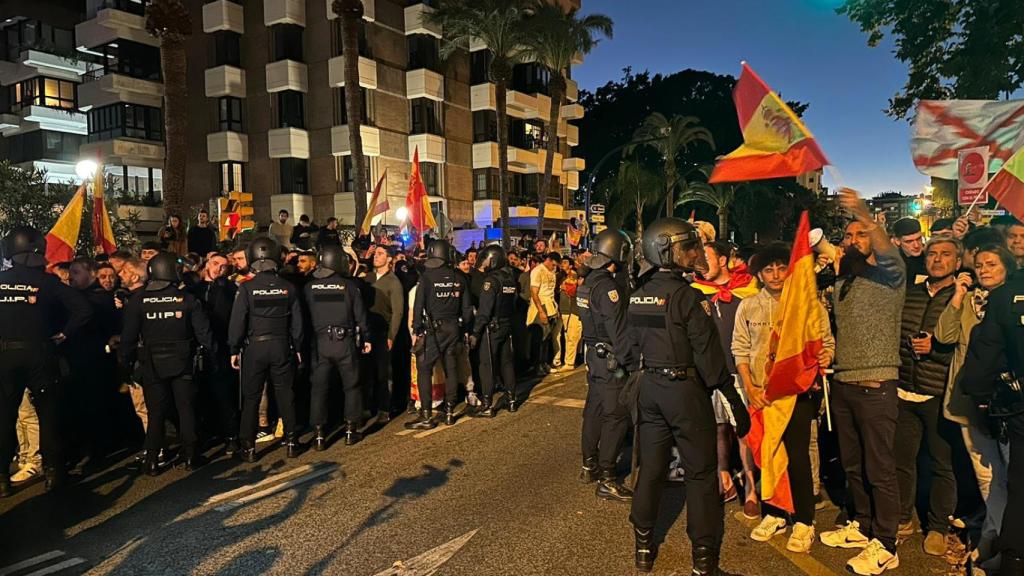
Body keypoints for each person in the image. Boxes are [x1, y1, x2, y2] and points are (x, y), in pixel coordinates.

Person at [626, 218, 749, 575]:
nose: (694, 253)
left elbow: (630, 347)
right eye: (686, 247)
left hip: (649, 388)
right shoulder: (688, 297)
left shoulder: (639, 295)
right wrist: (734, 402)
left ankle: (644, 548)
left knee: (650, 469)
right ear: (665, 252)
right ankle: (704, 559)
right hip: (684, 391)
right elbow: (710, 360)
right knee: (700, 474)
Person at [819, 189, 905, 576]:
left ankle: (887, 544)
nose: (852, 241)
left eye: (860, 235)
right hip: (844, 385)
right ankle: (864, 525)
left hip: (875, 385)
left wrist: (864, 214)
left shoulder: (891, 275)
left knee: (880, 468)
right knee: (852, 465)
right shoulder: (844, 282)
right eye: (848, 236)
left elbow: (887, 250)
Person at [737, 243, 834, 553]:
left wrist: (824, 357)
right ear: (760, 275)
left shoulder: (809, 306)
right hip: (762, 396)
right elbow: (739, 349)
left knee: (797, 457)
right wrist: (750, 387)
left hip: (797, 395)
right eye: (769, 269)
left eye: (781, 267)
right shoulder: (748, 306)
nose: (776, 274)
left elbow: (827, 344)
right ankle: (775, 513)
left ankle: (804, 520)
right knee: (767, 456)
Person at [934, 244, 1015, 569]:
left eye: (992, 263)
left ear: (1007, 266)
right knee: (987, 476)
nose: (984, 270)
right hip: (969, 402)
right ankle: (991, 539)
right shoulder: (970, 301)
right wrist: (958, 294)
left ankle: (1004, 539)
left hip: (1008, 405)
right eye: (979, 265)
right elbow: (944, 334)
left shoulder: (1014, 301)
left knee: (1011, 475)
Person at [0, 227, 92, 496]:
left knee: (4, 418)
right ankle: (53, 473)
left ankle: (2, 479)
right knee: (48, 416)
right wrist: (64, 334)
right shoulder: (49, 283)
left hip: (5, 356)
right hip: (41, 353)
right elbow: (83, 310)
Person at [958, 250, 1024, 576]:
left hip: (1016, 405)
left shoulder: (1006, 297)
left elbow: (981, 362)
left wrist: (982, 399)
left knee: (1017, 485)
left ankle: (1009, 559)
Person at [119, 253, 214, 474]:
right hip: (183, 361)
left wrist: (125, 367)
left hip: (151, 363)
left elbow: (128, 339)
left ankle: (152, 460)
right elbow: (204, 334)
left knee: (156, 413)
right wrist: (211, 359)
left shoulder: (137, 301)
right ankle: (191, 456)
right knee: (186, 408)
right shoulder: (188, 300)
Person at [894, 237, 960, 556]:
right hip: (904, 390)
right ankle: (904, 518)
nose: (937, 259)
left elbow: (968, 349)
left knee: (941, 465)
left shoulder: (962, 299)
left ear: (958, 263)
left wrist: (936, 352)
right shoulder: (911, 294)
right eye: (932, 254)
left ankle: (937, 527)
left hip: (938, 394)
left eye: (945, 255)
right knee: (901, 461)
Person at [693, 240, 760, 514]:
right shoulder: (696, 292)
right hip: (711, 373)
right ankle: (724, 478)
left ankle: (752, 486)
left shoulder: (749, 291)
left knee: (744, 430)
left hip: (741, 371)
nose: (699, 263)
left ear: (722, 260)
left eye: (705, 257)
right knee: (718, 427)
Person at [228, 237, 305, 461]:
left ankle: (249, 447)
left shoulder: (247, 288)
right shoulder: (288, 287)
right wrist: (298, 346)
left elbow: (237, 322)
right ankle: (291, 441)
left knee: (251, 397)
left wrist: (234, 348)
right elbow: (297, 322)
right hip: (281, 345)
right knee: (285, 394)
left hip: (255, 348)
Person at [577, 229, 636, 502]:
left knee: (595, 410)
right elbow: (617, 330)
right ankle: (608, 477)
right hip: (611, 358)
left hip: (594, 355)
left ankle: (589, 465)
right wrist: (631, 363)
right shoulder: (608, 287)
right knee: (617, 415)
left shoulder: (587, 283)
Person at [306, 245, 371, 449]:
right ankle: (351, 430)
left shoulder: (309, 287)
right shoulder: (349, 286)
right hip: (344, 342)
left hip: (320, 343)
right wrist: (366, 338)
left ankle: (318, 434)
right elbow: (360, 315)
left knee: (319, 389)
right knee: (351, 387)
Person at [406, 240, 473, 430]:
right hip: (454, 328)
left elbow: (418, 306)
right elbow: (467, 309)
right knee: (450, 368)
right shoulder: (460, 278)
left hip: (433, 330)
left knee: (424, 369)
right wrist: (465, 329)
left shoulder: (427, 277)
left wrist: (417, 329)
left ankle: (426, 416)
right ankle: (450, 411)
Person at [190, 252, 240, 456]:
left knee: (223, 394)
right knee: (199, 395)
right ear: (206, 265)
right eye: (215, 263)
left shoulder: (228, 288)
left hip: (221, 346)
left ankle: (231, 436)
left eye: (224, 265)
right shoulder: (194, 289)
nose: (220, 267)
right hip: (197, 348)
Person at [468, 245, 518, 417]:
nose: (485, 264)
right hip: (507, 325)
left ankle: (488, 405)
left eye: (487, 260)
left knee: (486, 365)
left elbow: (484, 310)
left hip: (492, 328)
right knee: (506, 363)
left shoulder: (491, 281)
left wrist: (476, 332)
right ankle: (511, 399)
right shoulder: (510, 279)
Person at [366, 246, 405, 422]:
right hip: (367, 331)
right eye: (375, 253)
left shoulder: (393, 282)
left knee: (383, 373)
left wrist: (391, 336)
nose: (376, 256)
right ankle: (369, 405)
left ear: (390, 259)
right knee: (368, 371)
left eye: (380, 254)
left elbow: (398, 312)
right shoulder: (368, 278)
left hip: (383, 332)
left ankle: (385, 407)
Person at [528, 252, 562, 374]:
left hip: (551, 306)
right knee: (539, 339)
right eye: (553, 264)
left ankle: (544, 363)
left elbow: (551, 291)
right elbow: (534, 293)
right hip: (540, 307)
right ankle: (537, 366)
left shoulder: (552, 272)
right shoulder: (538, 271)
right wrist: (541, 311)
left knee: (547, 338)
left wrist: (555, 309)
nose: (554, 267)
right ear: (548, 259)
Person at [558, 258, 582, 371]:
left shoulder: (574, 276)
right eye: (561, 262)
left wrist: (564, 287)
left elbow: (573, 291)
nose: (562, 264)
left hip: (572, 310)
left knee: (572, 336)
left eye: (565, 262)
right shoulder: (560, 276)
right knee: (565, 336)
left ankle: (569, 362)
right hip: (562, 310)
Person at [892, 217, 926, 286]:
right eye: (909, 241)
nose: (916, 245)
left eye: (919, 239)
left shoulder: (931, 259)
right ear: (897, 241)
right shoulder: (892, 265)